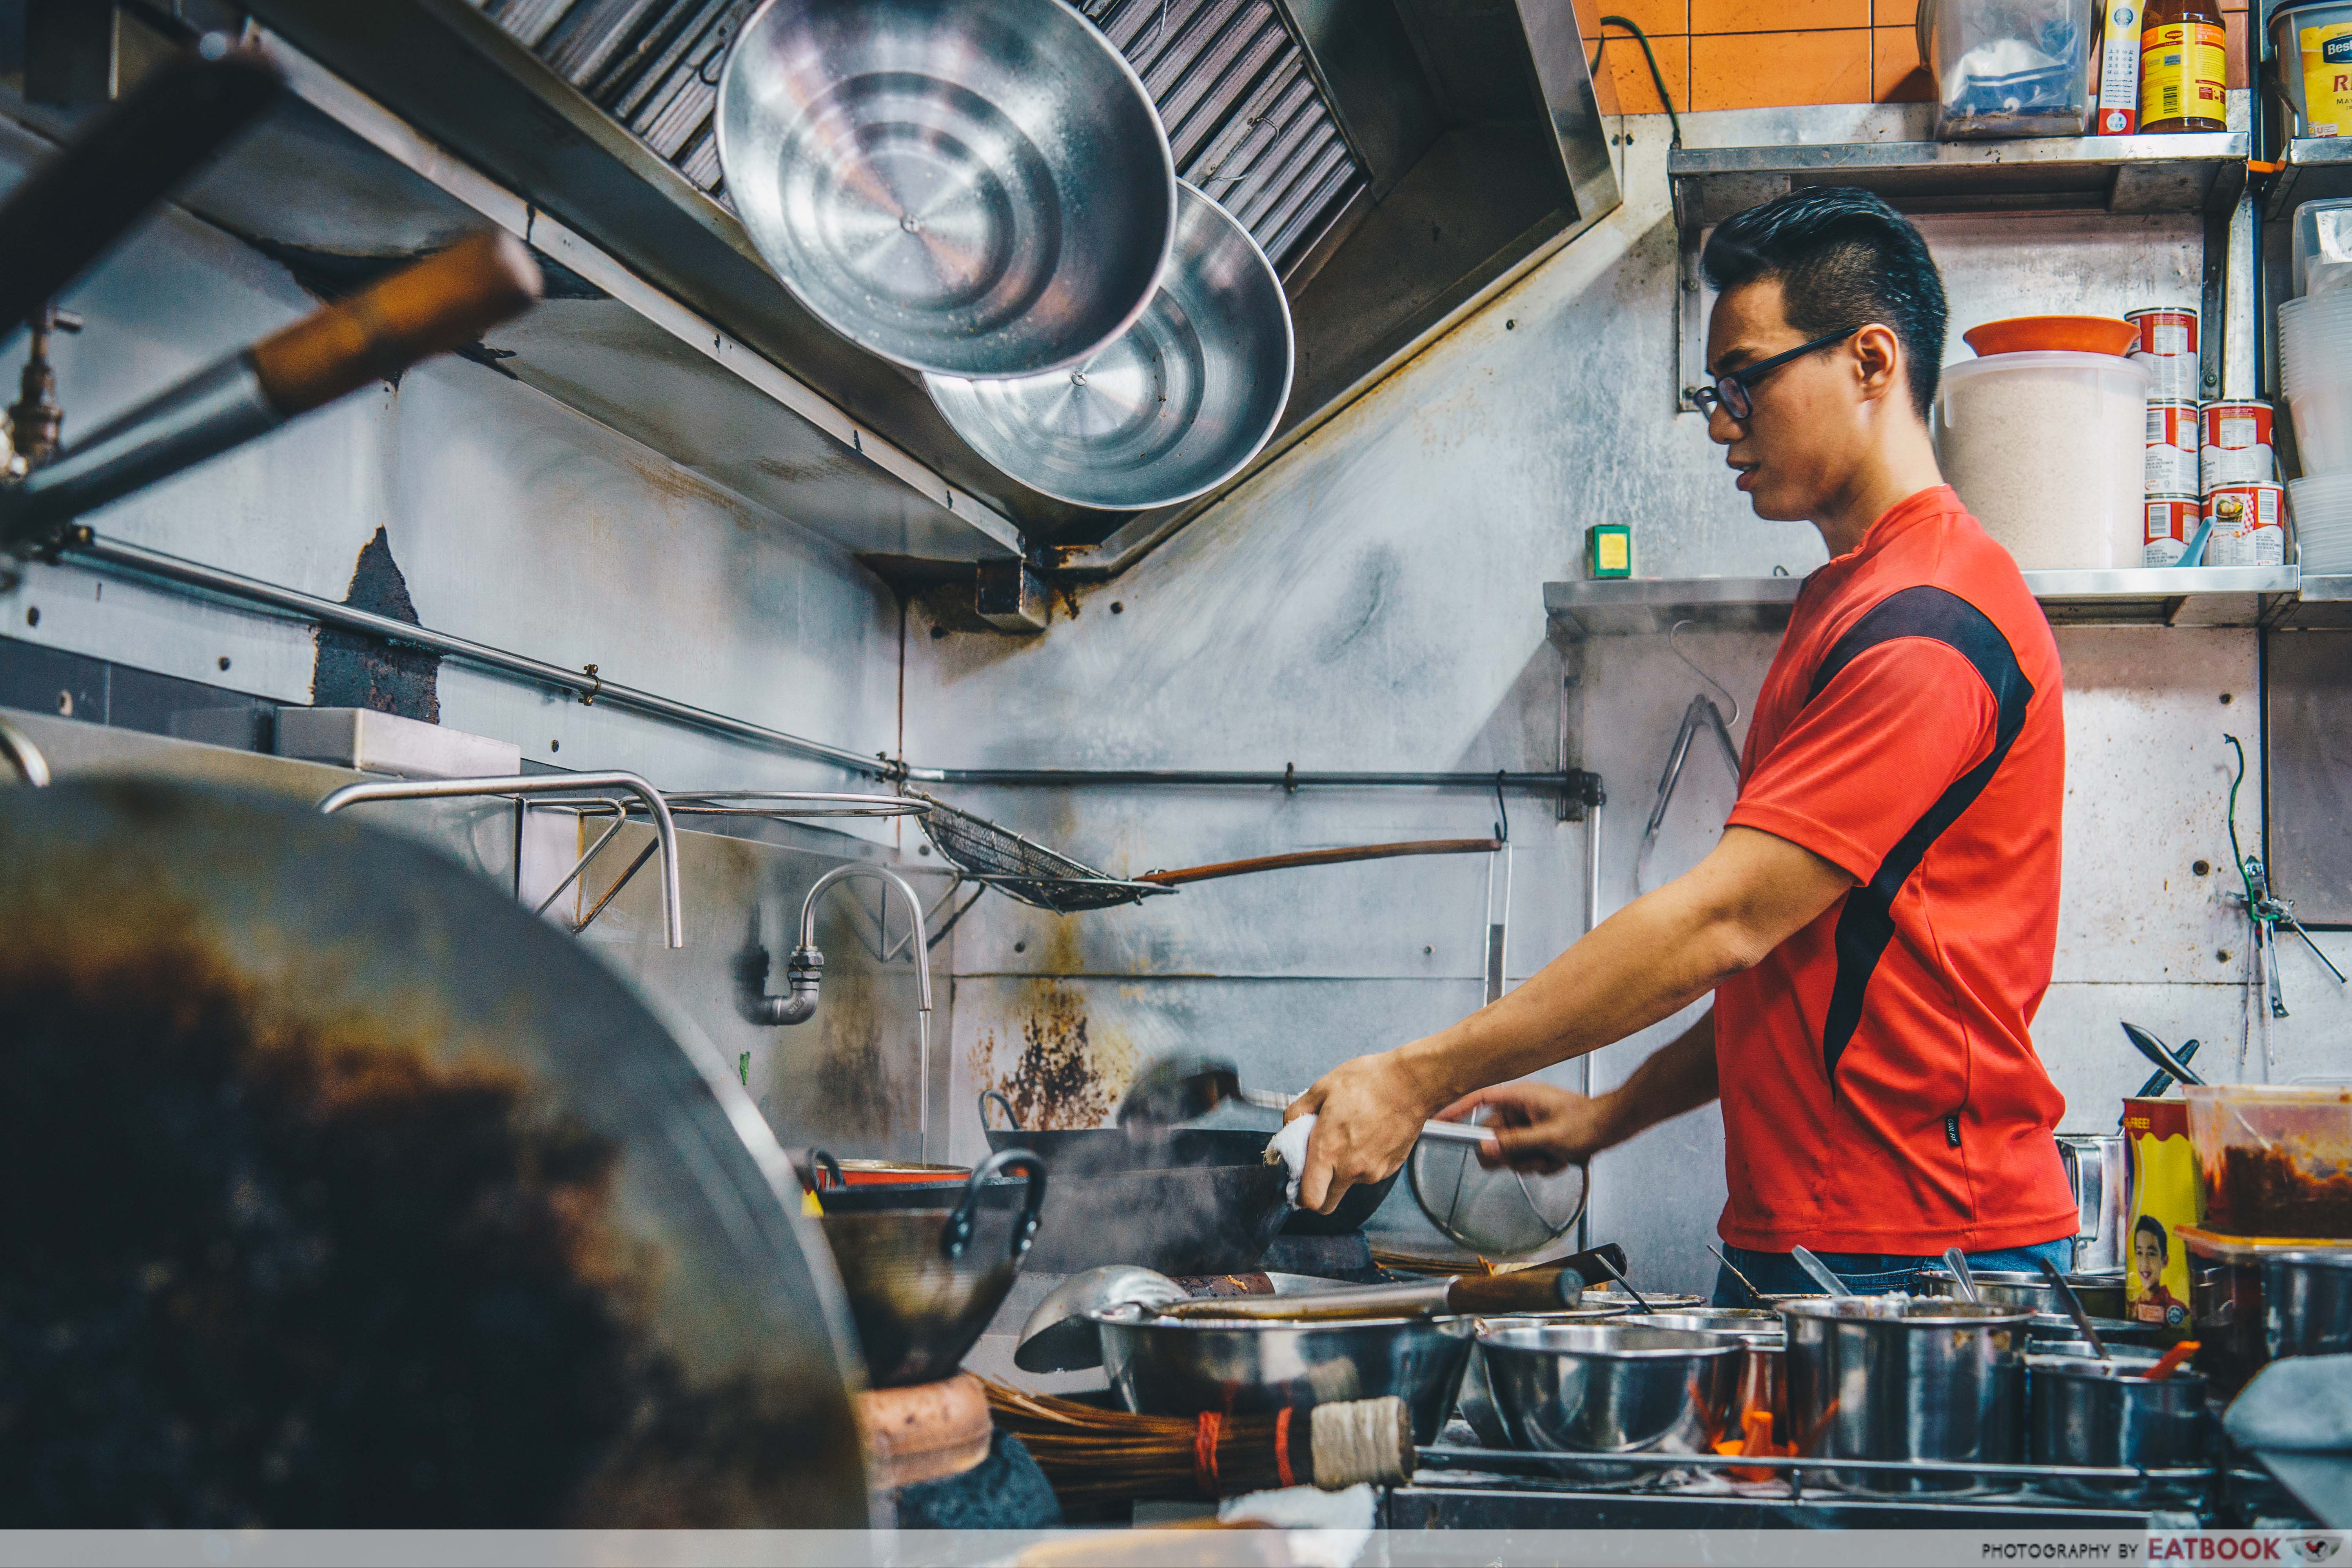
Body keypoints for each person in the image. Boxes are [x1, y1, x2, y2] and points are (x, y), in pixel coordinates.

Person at [1285, 187, 2079, 1301]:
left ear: (1870, 361)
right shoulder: (1852, 602)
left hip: (1918, 1258)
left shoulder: (1930, 625)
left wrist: (1418, 1077)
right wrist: (1609, 1115)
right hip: (1830, 1241)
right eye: (1716, 392)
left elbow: (1725, 922)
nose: (1720, 424)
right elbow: (1797, 973)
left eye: (1744, 382)